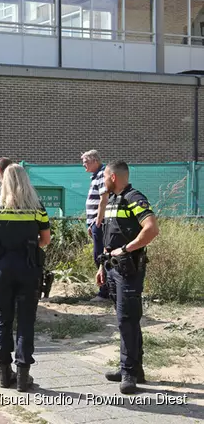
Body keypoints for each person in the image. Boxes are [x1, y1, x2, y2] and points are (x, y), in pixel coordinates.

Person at [0, 164, 51, 392]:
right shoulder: (36, 208)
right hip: (28, 268)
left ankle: (4, 376)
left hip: (2, 269)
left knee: (2, 322)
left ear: (3, 181)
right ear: (26, 181)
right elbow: (45, 239)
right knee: (26, 322)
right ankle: (24, 377)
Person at [96, 161, 159, 394]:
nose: (102, 182)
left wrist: (126, 249)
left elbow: (151, 228)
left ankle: (130, 372)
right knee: (125, 320)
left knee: (127, 320)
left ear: (112, 177)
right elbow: (109, 237)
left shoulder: (134, 198)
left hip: (128, 270)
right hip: (113, 269)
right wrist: (103, 266)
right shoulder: (113, 200)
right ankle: (131, 368)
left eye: (104, 177)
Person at [81, 150, 110, 302]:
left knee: (100, 256)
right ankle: (107, 290)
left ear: (94, 161)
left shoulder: (102, 174)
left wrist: (97, 221)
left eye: (85, 161)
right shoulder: (96, 176)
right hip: (95, 223)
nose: (83, 165)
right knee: (99, 255)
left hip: (100, 223)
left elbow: (104, 199)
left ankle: (105, 292)